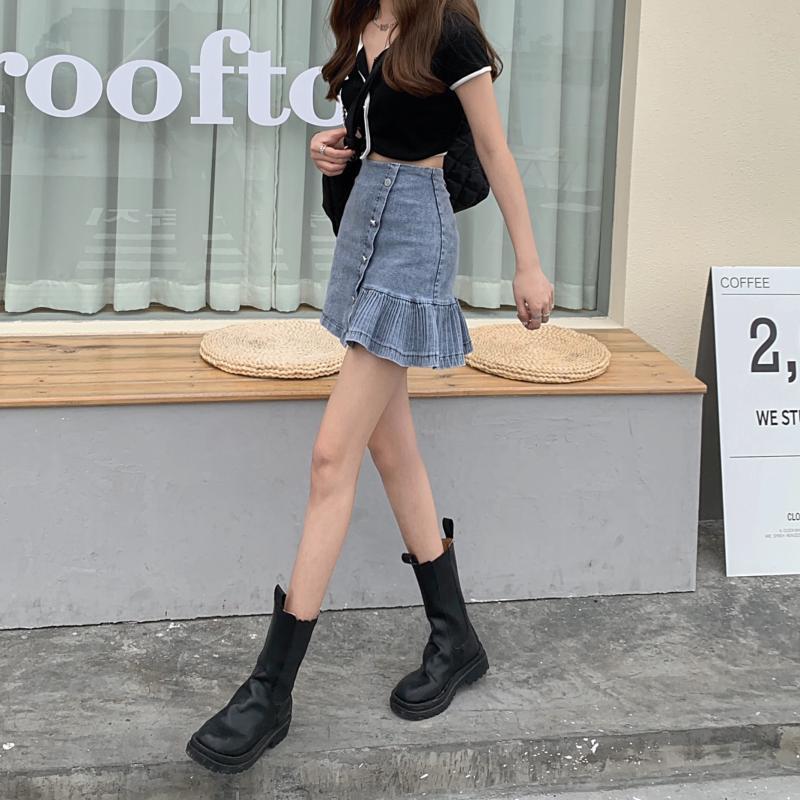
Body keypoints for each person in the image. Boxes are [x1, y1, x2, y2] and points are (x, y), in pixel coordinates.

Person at [185, 0, 553, 775]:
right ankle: (456, 638)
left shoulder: (446, 29)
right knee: (394, 452)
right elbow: (372, 135)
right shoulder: (362, 24)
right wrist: (335, 150)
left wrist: (528, 263)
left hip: (415, 236)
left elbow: (492, 148)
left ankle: (270, 690)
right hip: (364, 228)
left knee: (331, 459)